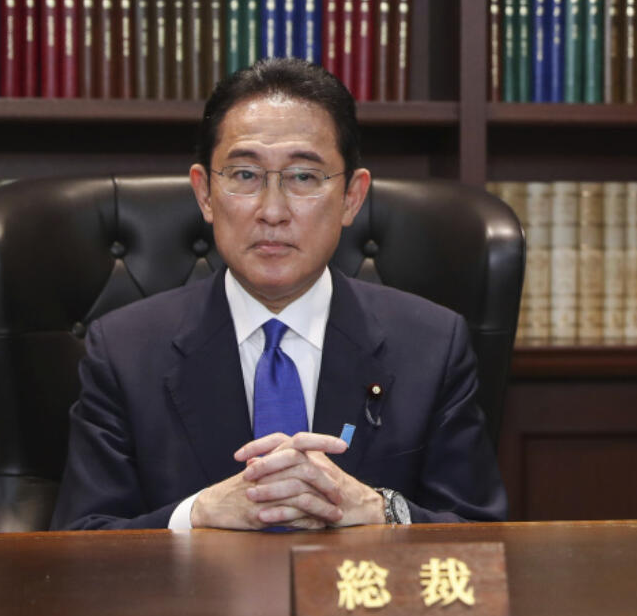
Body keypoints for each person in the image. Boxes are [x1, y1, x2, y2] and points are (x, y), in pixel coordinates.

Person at [50, 58, 507, 530]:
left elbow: (481, 536)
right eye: (245, 176)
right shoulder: (124, 351)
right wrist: (195, 516)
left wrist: (379, 511)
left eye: (303, 178)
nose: (272, 211)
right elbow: (80, 541)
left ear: (352, 196)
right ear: (205, 193)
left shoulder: (432, 346)